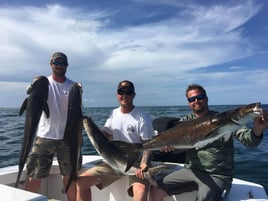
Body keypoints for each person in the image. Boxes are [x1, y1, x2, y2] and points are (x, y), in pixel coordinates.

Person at [150, 84, 268, 201]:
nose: (196, 101)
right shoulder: (184, 122)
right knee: (155, 189)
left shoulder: (224, 120)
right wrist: (167, 148)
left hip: (218, 176)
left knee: (205, 197)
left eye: (200, 97)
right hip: (191, 170)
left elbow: (250, 142)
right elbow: (177, 145)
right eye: (192, 99)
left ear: (206, 99)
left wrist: (258, 129)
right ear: (189, 103)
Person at [76, 80, 155, 201]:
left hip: (136, 163)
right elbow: (106, 135)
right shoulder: (113, 114)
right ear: (117, 94)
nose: (124, 95)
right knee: (81, 182)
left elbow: (148, 145)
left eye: (128, 92)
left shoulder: (142, 117)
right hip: (113, 160)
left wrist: (144, 164)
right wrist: (90, 126)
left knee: (140, 191)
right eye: (121, 92)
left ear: (133, 95)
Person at [25, 52, 78, 201]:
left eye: (63, 64)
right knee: (35, 176)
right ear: (51, 64)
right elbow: (30, 94)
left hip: (68, 140)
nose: (60, 66)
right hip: (45, 137)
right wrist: (32, 87)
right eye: (57, 63)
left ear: (67, 66)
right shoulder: (43, 83)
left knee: (70, 176)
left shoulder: (73, 86)